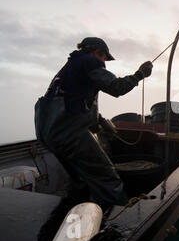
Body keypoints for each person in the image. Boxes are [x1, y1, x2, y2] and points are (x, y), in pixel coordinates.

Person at [34, 37, 153, 210]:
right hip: (70, 133)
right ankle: (117, 225)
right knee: (108, 180)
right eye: (105, 58)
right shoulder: (89, 62)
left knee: (80, 179)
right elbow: (116, 87)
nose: (104, 62)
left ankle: (71, 215)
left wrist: (100, 121)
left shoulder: (69, 67)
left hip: (47, 134)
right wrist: (140, 74)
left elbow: (73, 101)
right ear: (98, 52)